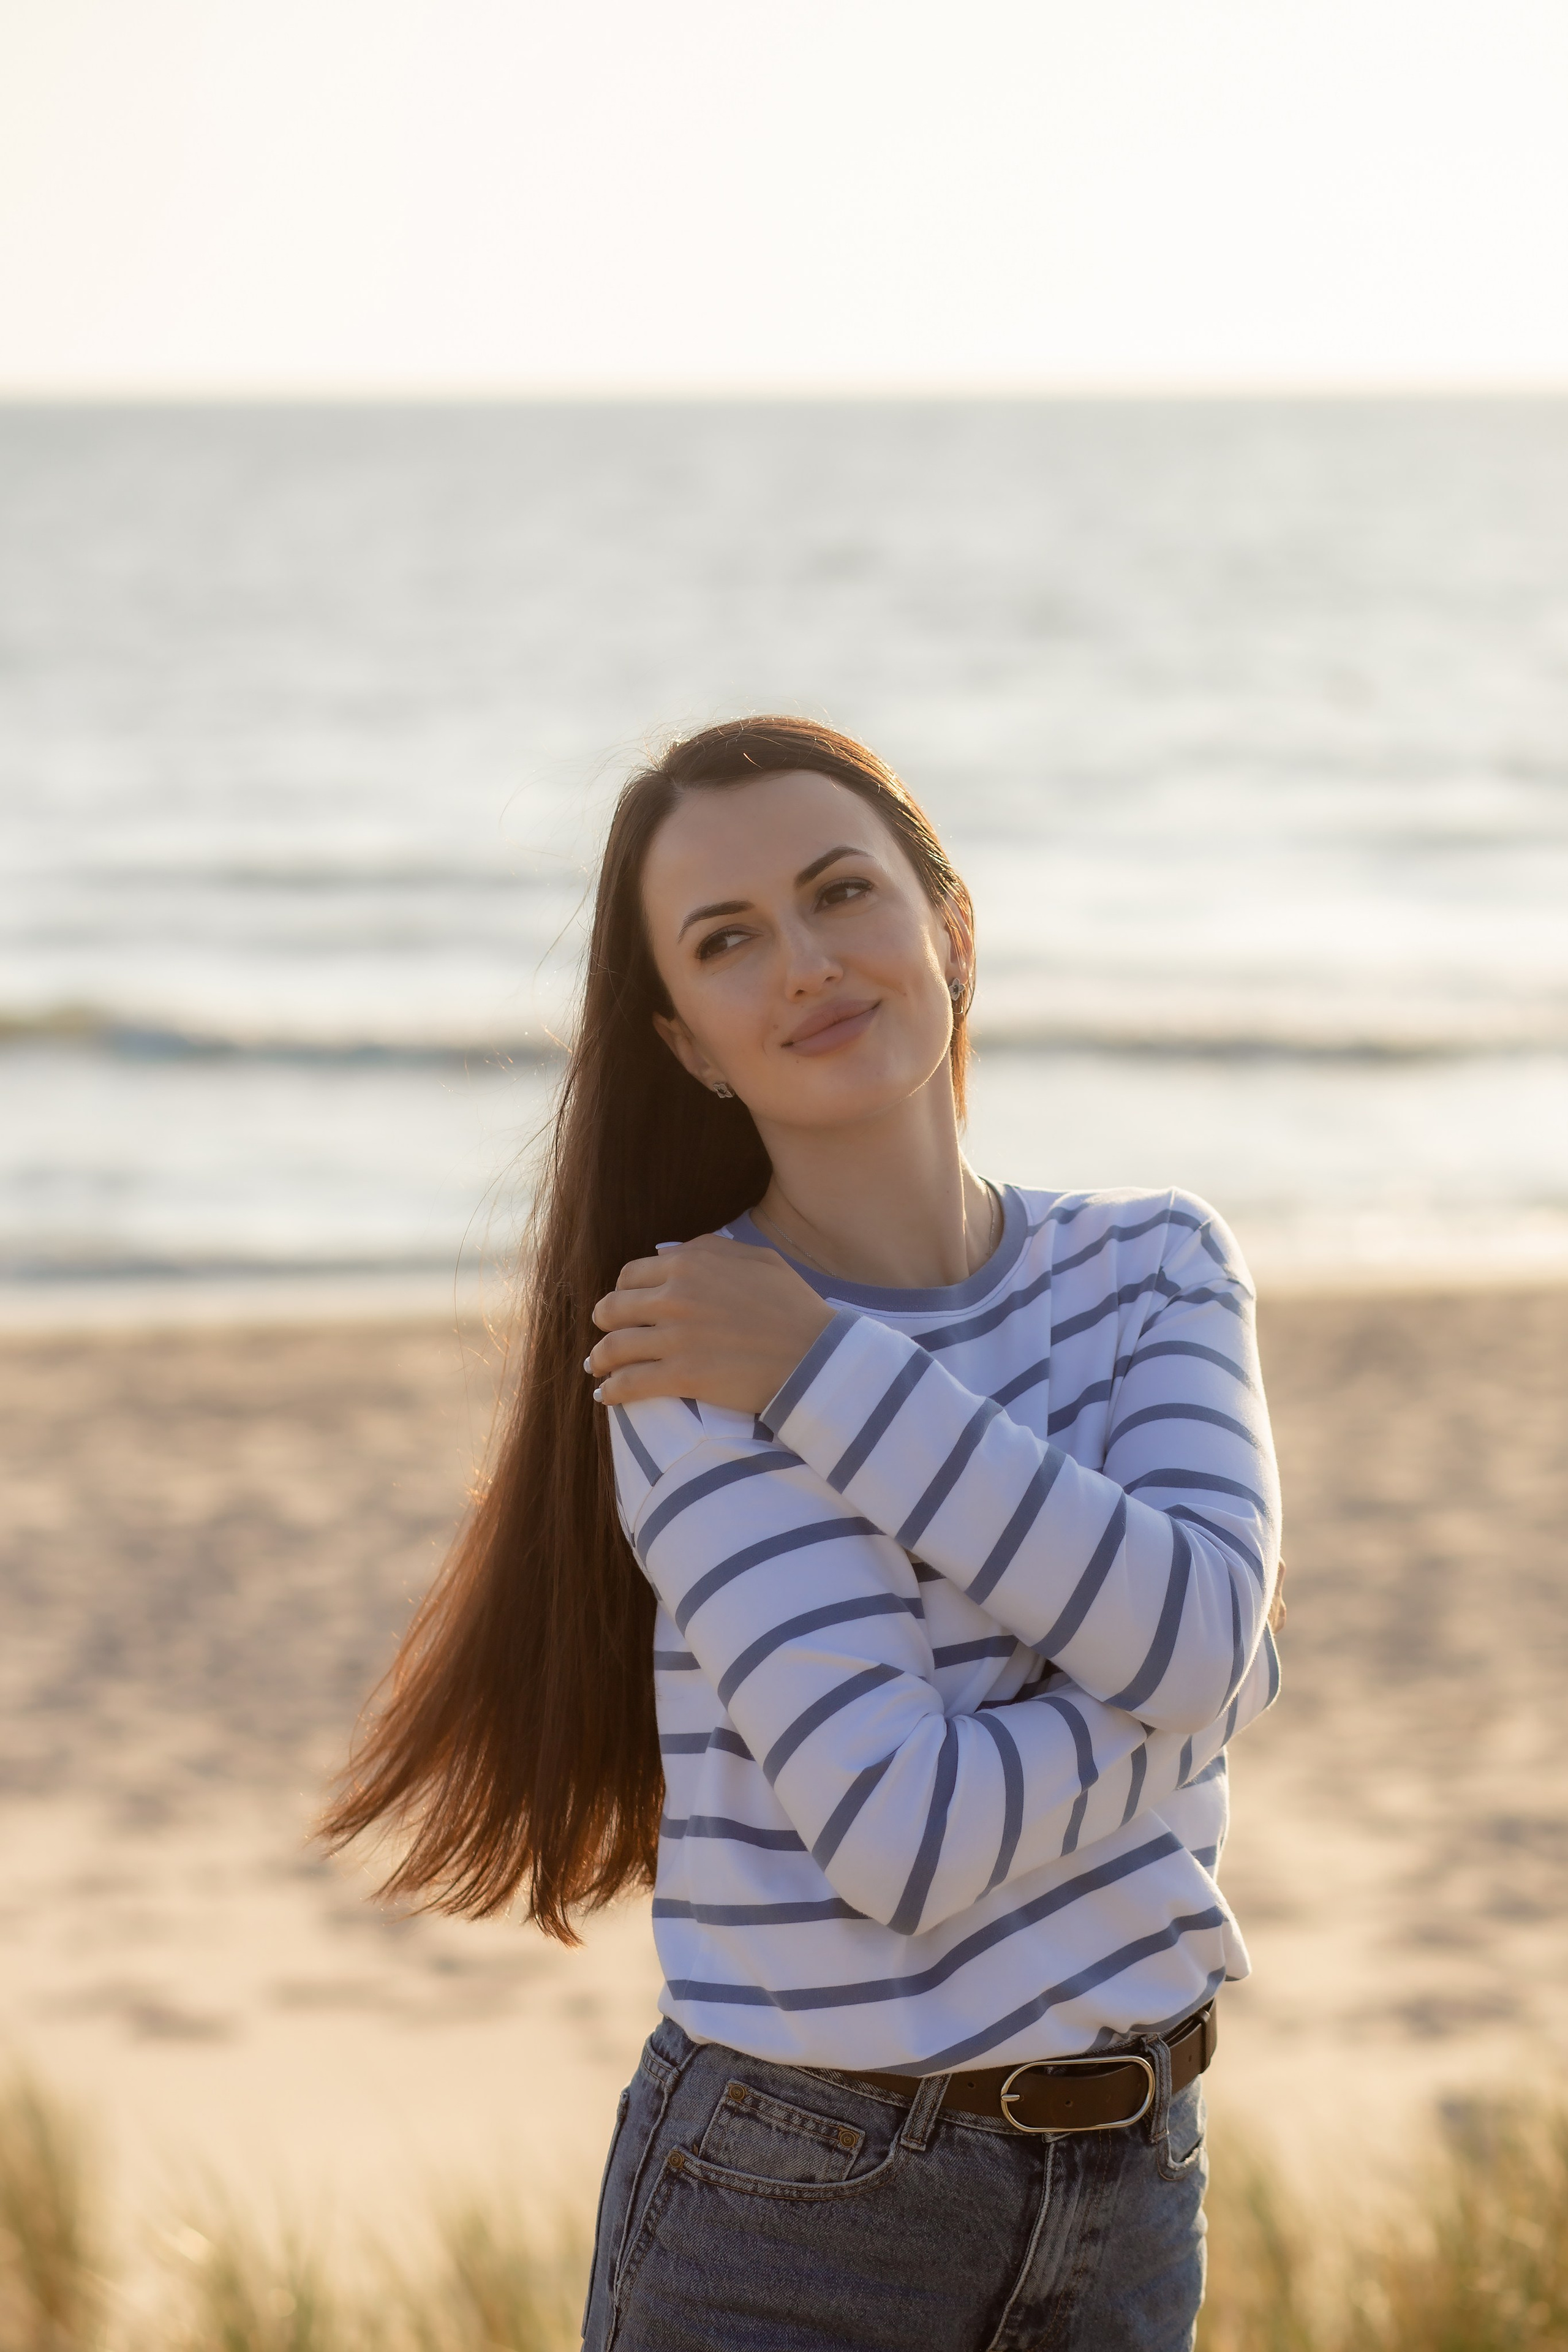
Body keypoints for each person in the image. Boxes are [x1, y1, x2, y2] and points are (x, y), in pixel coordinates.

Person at [322, 716, 1283, 2352]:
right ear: (689, 1039)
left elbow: (1196, 1634)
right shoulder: (689, 1350)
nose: (808, 964)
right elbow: (908, 1840)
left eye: (843, 893)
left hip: (1134, 2190)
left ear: (948, 929)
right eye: (728, 942)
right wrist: (1217, 1698)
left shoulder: (1156, 1269)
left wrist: (828, 1376)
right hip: (804, 2213)